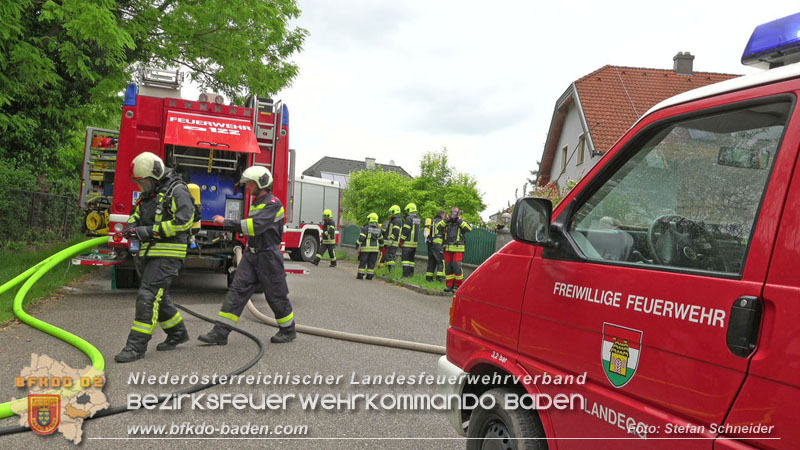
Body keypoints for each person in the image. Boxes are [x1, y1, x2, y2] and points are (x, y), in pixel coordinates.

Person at [198, 166, 296, 345]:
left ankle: (288, 330)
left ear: (261, 183)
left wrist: (226, 222)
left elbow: (254, 226)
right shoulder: (257, 203)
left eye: (251, 183)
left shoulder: (273, 204)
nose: (248, 187)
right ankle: (220, 333)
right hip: (252, 255)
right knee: (236, 291)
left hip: (268, 256)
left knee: (275, 295)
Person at [115, 152, 194, 363]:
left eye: (143, 183)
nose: (141, 187)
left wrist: (147, 232)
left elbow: (183, 222)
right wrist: (132, 226)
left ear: (155, 175)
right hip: (150, 253)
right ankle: (178, 333)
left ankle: (135, 346)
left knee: (148, 296)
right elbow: (137, 213)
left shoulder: (177, 191)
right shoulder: (150, 194)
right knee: (160, 295)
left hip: (168, 255)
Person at [442, 206, 472, 292]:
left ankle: (458, 286)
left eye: (455, 213)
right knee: (448, 267)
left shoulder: (462, 222)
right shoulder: (447, 222)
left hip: (458, 248)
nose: (453, 214)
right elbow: (438, 227)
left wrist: (459, 221)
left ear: (459, 214)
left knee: (457, 266)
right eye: (452, 212)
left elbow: (469, 229)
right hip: (447, 248)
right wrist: (446, 220)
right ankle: (449, 286)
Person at [356, 213, 383, 280]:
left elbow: (361, 238)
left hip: (366, 248)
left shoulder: (366, 228)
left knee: (363, 262)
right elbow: (381, 240)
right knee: (372, 263)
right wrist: (382, 247)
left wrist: (357, 244)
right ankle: (369, 276)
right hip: (375, 249)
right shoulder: (378, 229)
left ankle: (360, 275)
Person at [399, 203, 421, 278]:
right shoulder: (418, 218)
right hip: (414, 244)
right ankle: (410, 275)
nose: (407, 212)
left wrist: (401, 240)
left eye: (407, 210)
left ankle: (405, 275)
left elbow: (406, 230)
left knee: (405, 260)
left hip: (407, 243)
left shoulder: (408, 218)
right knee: (411, 261)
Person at [425, 210, 446, 282]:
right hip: (437, 244)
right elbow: (444, 234)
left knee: (431, 261)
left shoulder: (432, 221)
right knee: (441, 261)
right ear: (442, 215)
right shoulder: (442, 222)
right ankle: (440, 279)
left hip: (430, 244)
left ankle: (428, 278)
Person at [383, 205, 403, 272]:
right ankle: (390, 271)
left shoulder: (396, 220)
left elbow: (395, 231)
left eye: (392, 212)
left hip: (393, 242)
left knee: (390, 257)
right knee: (390, 257)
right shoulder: (395, 220)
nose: (391, 214)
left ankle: (391, 272)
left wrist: (391, 239)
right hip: (392, 242)